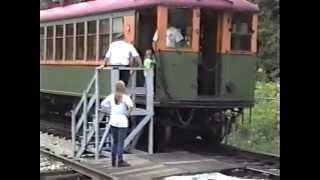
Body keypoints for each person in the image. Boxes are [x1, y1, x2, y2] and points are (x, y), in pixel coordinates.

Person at [101, 80, 134, 167]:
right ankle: (120, 161)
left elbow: (103, 104)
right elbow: (131, 106)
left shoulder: (111, 96)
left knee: (115, 142)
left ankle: (113, 161)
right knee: (121, 142)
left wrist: (109, 111)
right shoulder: (125, 97)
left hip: (113, 121)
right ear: (123, 88)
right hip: (122, 122)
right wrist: (127, 113)